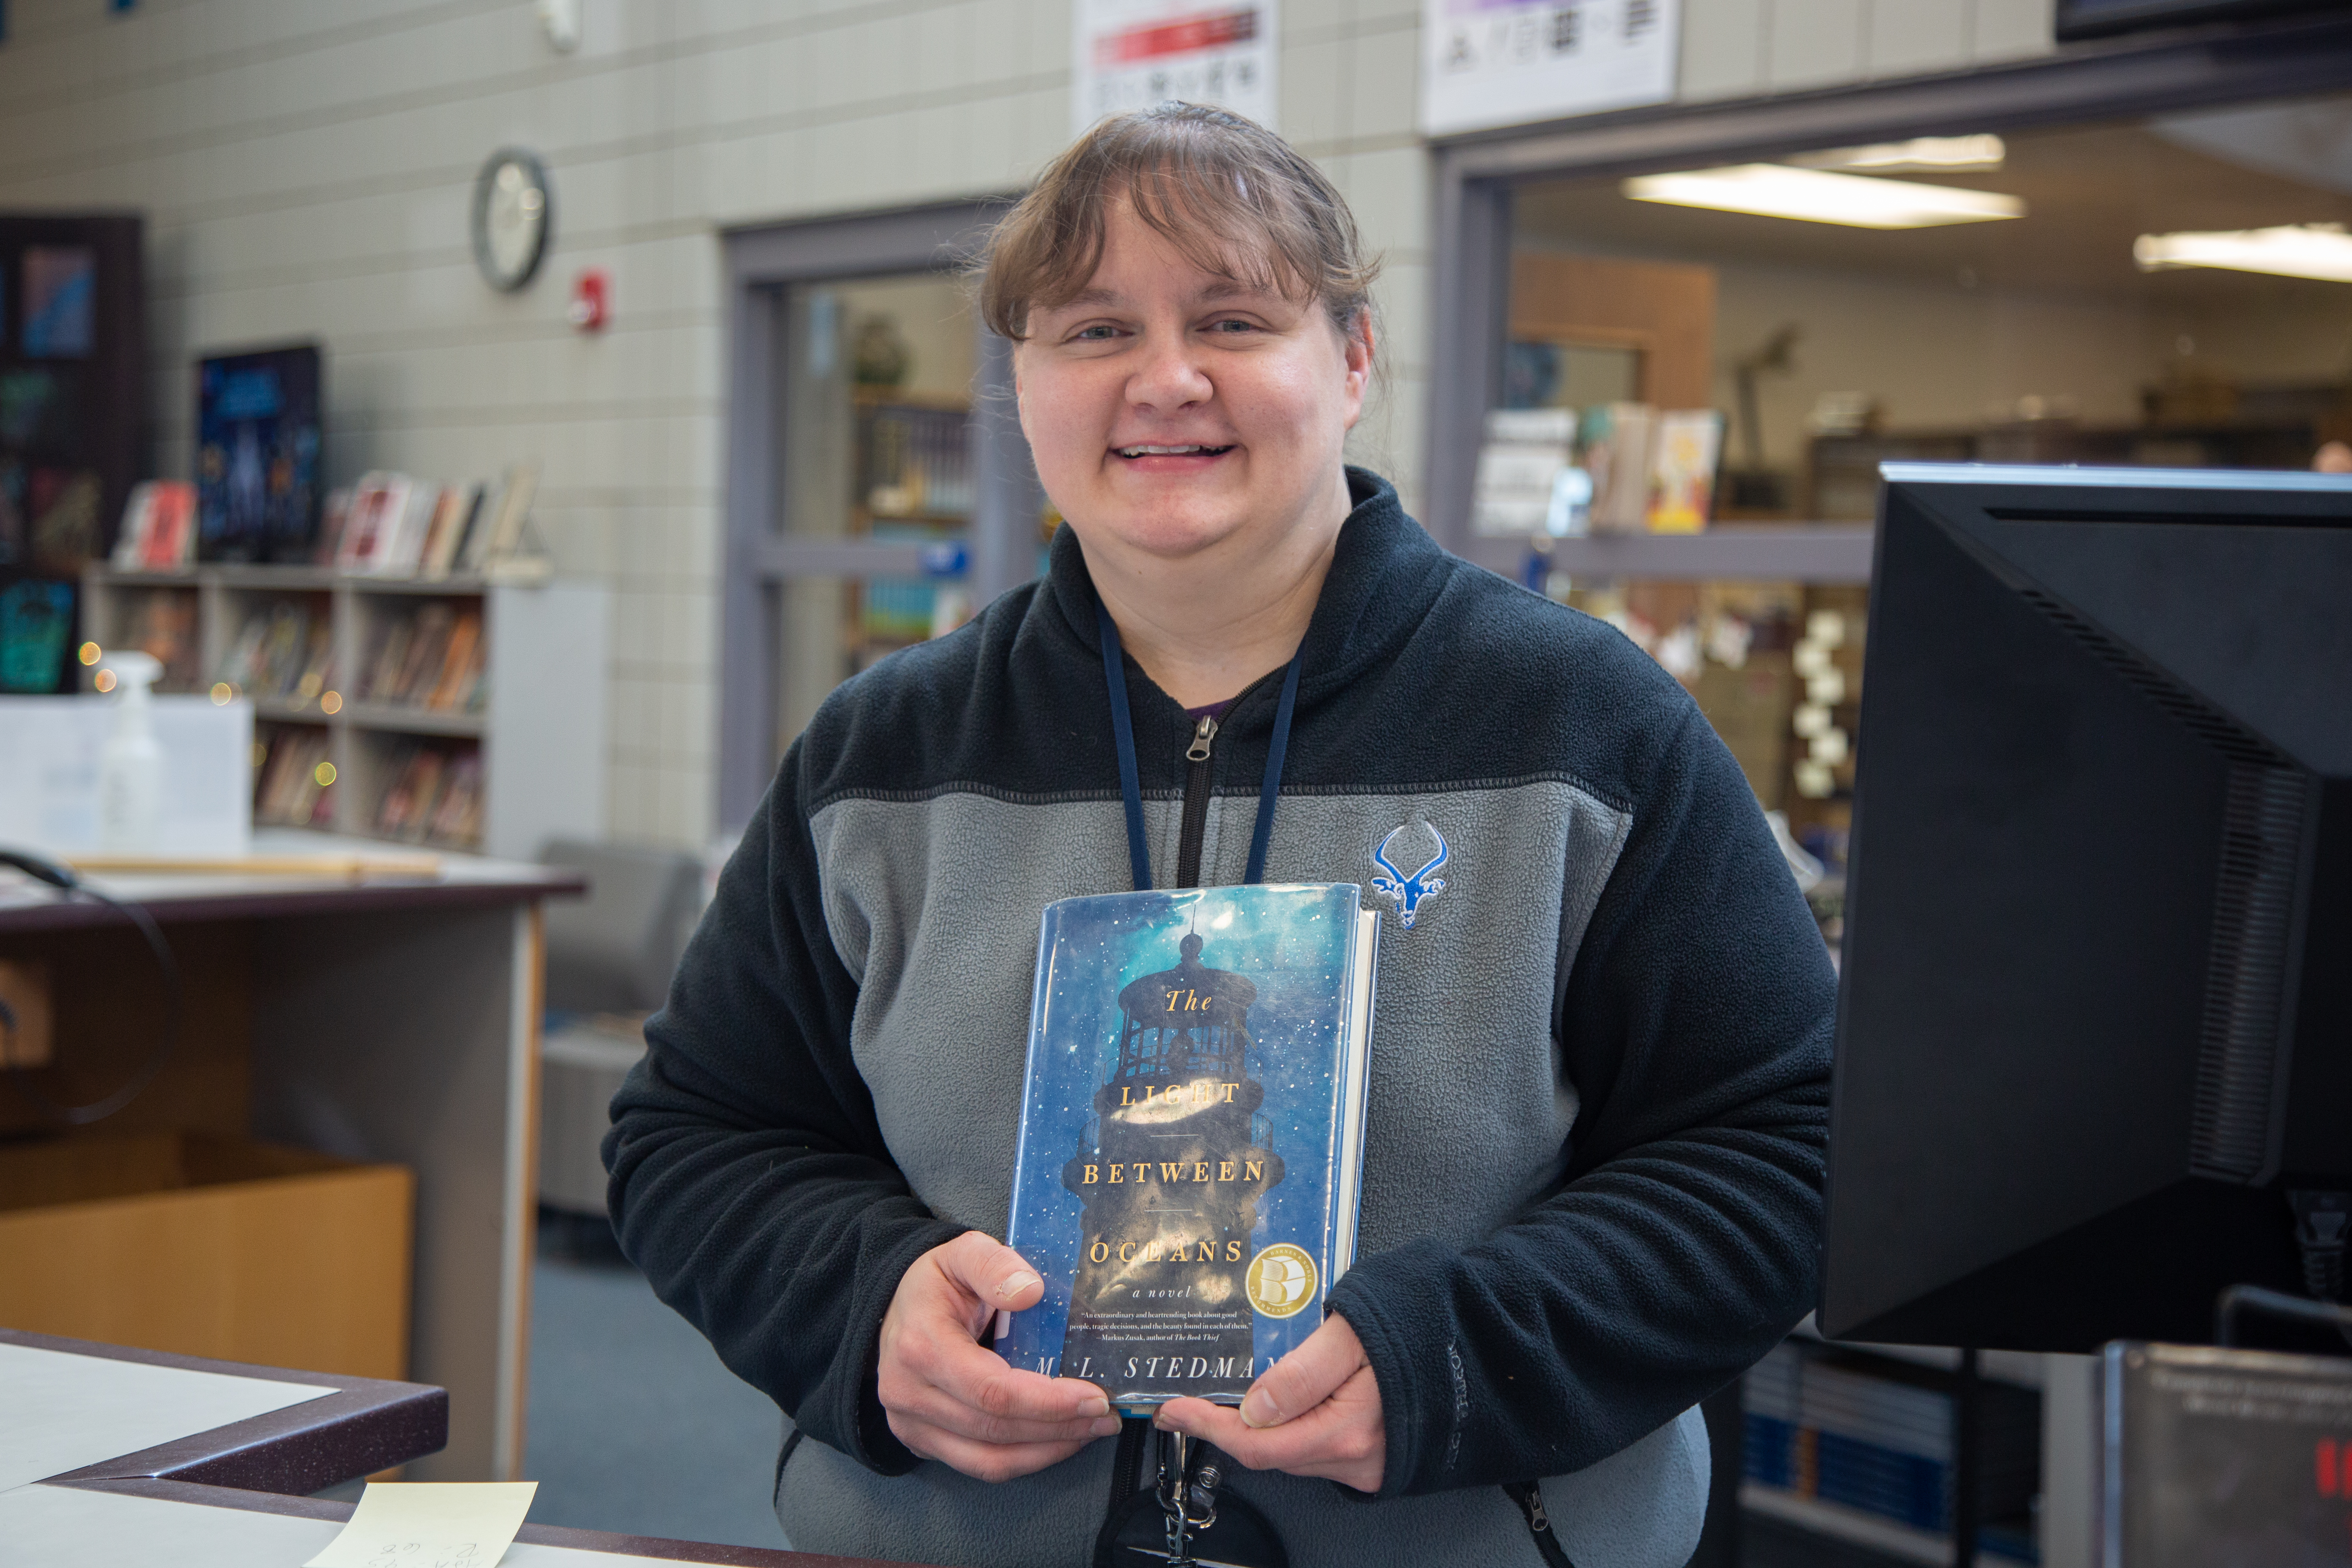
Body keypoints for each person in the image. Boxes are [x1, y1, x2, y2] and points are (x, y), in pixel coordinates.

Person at [604, 103, 1833, 1568]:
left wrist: (1458, 1361)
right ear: (1023, 379)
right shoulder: (885, 755)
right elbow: (695, 1135)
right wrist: (864, 1309)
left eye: (1235, 318)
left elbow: (1785, 1148)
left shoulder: (1581, 731)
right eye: (1092, 328)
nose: (1165, 380)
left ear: (1355, 359)